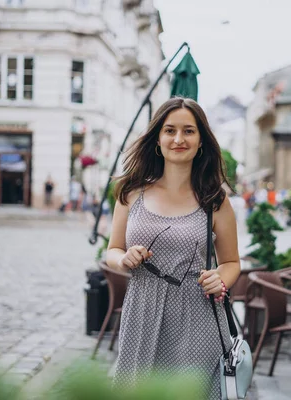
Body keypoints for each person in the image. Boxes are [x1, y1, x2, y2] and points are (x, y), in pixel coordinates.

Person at [105, 97, 241, 398]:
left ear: (201, 140)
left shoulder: (215, 199)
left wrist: (221, 278)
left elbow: (232, 262)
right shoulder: (130, 191)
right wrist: (123, 259)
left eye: (189, 131)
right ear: (158, 138)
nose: (179, 139)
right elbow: (112, 249)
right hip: (142, 312)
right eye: (170, 130)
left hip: (198, 317)